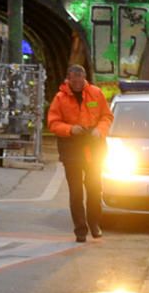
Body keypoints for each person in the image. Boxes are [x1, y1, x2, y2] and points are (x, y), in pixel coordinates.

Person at [47, 64, 112, 242]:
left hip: (93, 147)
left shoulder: (96, 94)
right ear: (68, 79)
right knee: (76, 192)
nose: (77, 83)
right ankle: (80, 229)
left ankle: (94, 223)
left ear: (84, 78)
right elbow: (53, 123)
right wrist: (70, 129)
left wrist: (100, 130)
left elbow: (106, 116)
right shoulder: (60, 98)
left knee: (94, 189)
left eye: (80, 80)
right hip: (71, 150)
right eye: (74, 80)